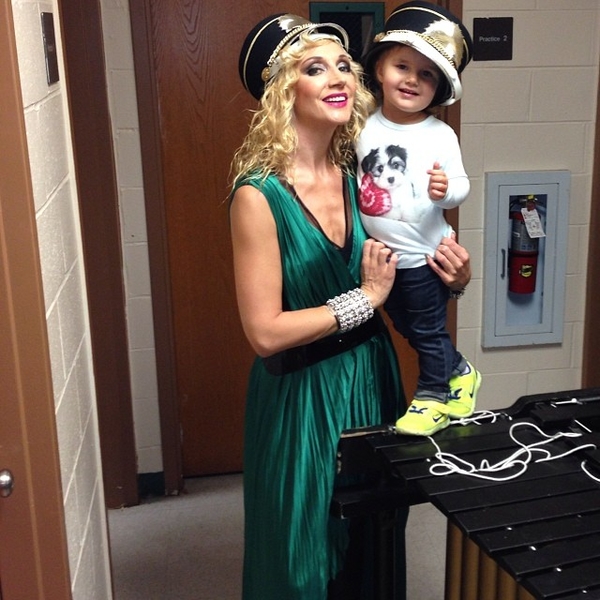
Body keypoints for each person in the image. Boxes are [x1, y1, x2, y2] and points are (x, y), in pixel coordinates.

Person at [230, 13, 471, 600]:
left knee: (375, 540)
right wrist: (362, 300)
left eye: (343, 65)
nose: (338, 78)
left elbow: (407, 263)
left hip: (371, 377)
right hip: (301, 395)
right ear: (282, 90)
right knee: (301, 552)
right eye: (315, 68)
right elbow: (264, 332)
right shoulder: (257, 195)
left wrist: (455, 279)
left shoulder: (358, 172)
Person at [356, 1, 481, 437]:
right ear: (380, 70)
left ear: (438, 88)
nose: (412, 79)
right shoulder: (361, 127)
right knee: (407, 326)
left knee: (428, 332)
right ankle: (461, 371)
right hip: (384, 261)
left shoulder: (439, 134)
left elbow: (462, 185)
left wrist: (447, 190)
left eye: (426, 74)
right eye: (402, 66)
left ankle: (432, 398)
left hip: (426, 258)